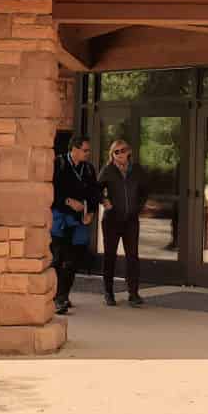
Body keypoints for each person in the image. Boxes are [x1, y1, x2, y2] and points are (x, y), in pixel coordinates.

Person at [50, 135, 98, 315]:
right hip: (60, 220)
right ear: (74, 149)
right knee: (58, 259)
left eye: (88, 150)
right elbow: (50, 189)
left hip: (79, 222)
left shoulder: (89, 169)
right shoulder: (58, 164)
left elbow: (94, 193)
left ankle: (62, 296)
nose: (88, 153)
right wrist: (69, 201)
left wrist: (91, 212)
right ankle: (57, 297)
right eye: (85, 150)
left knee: (72, 261)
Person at [98, 138, 147, 307]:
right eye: (116, 151)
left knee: (132, 256)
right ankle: (108, 292)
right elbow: (96, 190)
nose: (120, 154)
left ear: (129, 151)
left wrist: (137, 208)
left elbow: (144, 192)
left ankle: (133, 293)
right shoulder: (107, 170)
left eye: (123, 150)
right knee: (110, 256)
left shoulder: (137, 170)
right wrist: (104, 201)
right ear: (112, 155)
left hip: (131, 221)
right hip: (111, 220)